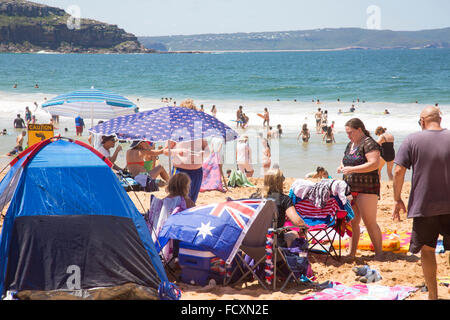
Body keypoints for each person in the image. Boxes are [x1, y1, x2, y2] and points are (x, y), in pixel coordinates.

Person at [392, 106, 450, 300]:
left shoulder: (412, 139)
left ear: (423, 120)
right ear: (439, 119)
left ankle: (433, 295)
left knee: (427, 249)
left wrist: (397, 198)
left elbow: (398, 171)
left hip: (424, 204)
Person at [337, 118, 383, 260]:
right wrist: (342, 167)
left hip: (367, 187)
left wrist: (352, 169)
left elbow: (374, 164)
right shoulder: (351, 144)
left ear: (359, 130)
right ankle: (351, 252)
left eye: (350, 132)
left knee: (369, 221)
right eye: (347, 133)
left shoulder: (369, 143)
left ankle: (379, 254)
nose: (348, 135)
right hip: (350, 188)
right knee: (353, 221)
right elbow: (344, 160)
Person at [264, 168, 306, 247]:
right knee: (294, 234)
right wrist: (304, 228)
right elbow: (297, 222)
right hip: (274, 245)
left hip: (253, 245)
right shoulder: (283, 199)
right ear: (279, 181)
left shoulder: (255, 197)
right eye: (282, 178)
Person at [164, 137, 209, 204]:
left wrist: (203, 153)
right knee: (177, 200)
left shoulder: (199, 133)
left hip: (197, 172)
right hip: (180, 172)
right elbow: (165, 151)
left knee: (192, 201)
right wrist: (177, 151)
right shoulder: (176, 133)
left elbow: (208, 151)